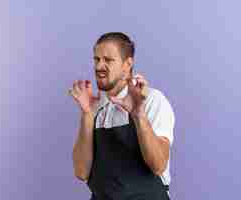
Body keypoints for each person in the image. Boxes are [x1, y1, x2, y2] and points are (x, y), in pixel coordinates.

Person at [70, 32, 175, 200]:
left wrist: (138, 114)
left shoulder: (152, 100)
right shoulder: (95, 108)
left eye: (108, 60)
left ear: (127, 64)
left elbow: (159, 165)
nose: (99, 66)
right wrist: (87, 113)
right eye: (96, 59)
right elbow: (81, 172)